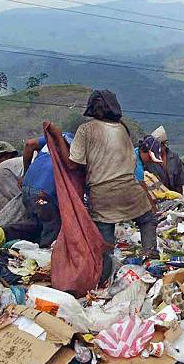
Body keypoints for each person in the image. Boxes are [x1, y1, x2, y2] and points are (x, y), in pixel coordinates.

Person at [46, 90, 158, 279]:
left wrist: (58, 138)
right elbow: (130, 162)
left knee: (105, 242)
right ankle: (151, 260)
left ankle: (104, 278)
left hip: (102, 192)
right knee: (147, 221)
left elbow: (73, 163)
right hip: (129, 188)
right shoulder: (122, 128)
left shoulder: (86, 129)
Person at [20, 132, 74, 247]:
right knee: (52, 226)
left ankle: (27, 252)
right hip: (42, 196)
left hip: (26, 189)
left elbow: (29, 144)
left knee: (33, 225)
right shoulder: (75, 146)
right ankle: (43, 256)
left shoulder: (54, 139)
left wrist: (26, 172)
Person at [147, 126, 184, 194]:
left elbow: (180, 180)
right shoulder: (150, 159)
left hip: (173, 193)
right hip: (157, 193)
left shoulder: (174, 158)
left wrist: (179, 197)